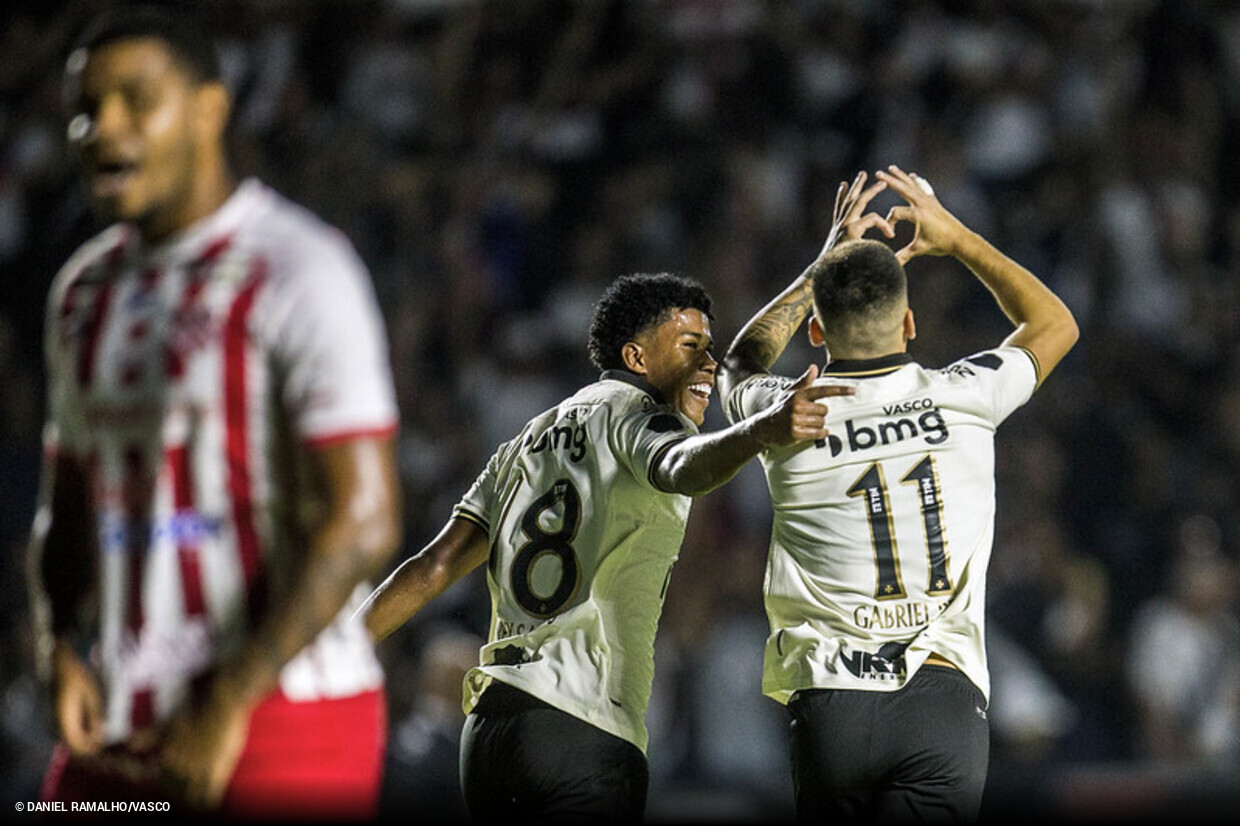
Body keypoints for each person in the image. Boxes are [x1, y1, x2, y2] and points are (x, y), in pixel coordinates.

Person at [27, 5, 402, 818]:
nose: (103, 126)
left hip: (286, 715)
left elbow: (366, 519)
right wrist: (58, 648)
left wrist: (229, 700)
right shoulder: (82, 294)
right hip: (124, 721)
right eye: (86, 107)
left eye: (135, 98)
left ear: (209, 108)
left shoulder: (301, 268)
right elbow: (66, 510)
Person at [357, 250, 866, 820]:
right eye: (689, 344)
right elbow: (680, 466)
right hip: (581, 724)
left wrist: (340, 648)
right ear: (635, 356)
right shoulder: (642, 416)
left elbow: (435, 566)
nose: (708, 363)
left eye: (710, 345)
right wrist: (761, 430)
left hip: (491, 729)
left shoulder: (523, 442)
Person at [718, 165, 1079, 821]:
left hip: (832, 701)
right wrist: (960, 240)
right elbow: (1053, 324)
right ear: (909, 324)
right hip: (941, 700)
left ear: (818, 333)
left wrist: (818, 268)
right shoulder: (967, 395)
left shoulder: (787, 414)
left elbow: (737, 365)